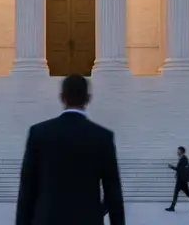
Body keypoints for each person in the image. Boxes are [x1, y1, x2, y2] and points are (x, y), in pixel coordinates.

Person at [16, 74, 125, 225]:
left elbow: (27, 190)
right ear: (88, 99)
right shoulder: (102, 137)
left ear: (62, 98)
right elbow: (113, 192)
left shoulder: (39, 133)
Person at [165, 146, 189, 212]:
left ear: (181, 151)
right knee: (188, 193)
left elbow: (181, 169)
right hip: (182, 180)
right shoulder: (183, 158)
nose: (177, 152)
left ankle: (172, 207)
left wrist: (172, 167)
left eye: (178, 150)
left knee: (176, 193)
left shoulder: (184, 158)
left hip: (181, 180)